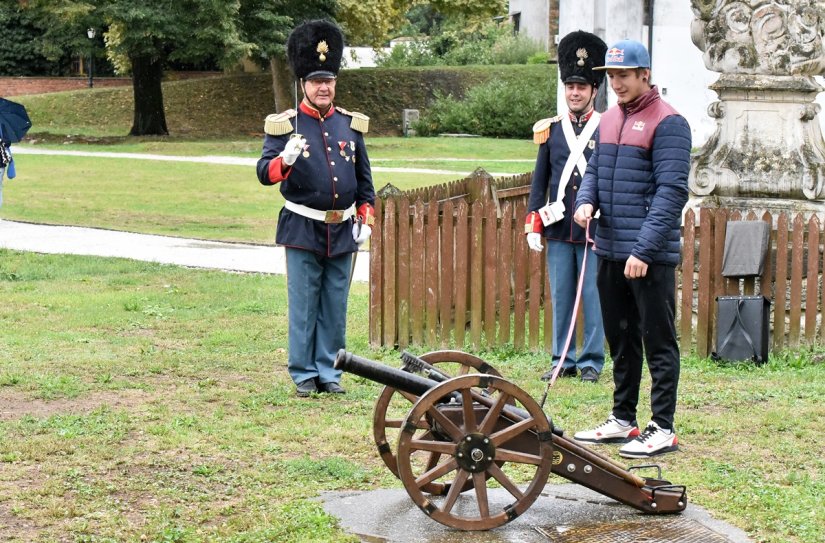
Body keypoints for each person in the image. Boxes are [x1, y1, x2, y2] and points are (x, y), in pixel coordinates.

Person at [571, 39, 691, 458]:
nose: (616, 83)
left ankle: (663, 427)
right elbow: (597, 171)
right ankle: (623, 419)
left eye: (624, 75)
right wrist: (586, 200)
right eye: (611, 76)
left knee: (658, 340)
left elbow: (671, 192)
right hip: (609, 248)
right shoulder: (607, 120)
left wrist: (643, 250)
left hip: (648, 256)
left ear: (645, 75)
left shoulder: (670, 122)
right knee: (621, 340)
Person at [256, 20, 376, 397]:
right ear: (303, 84)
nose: (323, 87)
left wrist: (366, 218)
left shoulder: (349, 126)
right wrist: (285, 160)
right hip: (303, 226)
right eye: (315, 80)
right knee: (305, 305)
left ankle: (330, 371)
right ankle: (304, 373)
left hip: (342, 229)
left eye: (329, 80)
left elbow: (365, 181)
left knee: (335, 304)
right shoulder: (284, 127)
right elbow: (265, 173)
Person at [525, 31, 607, 384]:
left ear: (594, 90)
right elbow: (540, 181)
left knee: (594, 297)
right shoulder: (551, 131)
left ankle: (590, 361)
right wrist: (532, 223)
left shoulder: (607, 129)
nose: (575, 92)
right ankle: (562, 358)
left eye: (582, 86)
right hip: (558, 228)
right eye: (570, 86)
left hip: (595, 228)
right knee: (560, 298)